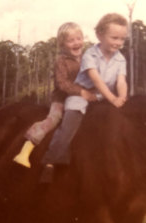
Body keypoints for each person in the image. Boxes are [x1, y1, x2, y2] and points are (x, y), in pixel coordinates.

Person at [40, 13, 128, 183]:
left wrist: (122, 97)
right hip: (81, 94)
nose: (118, 42)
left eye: (122, 39)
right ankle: (51, 160)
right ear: (100, 35)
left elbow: (121, 80)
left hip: (102, 95)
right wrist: (112, 99)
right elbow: (96, 79)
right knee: (70, 120)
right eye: (114, 37)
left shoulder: (120, 58)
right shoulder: (90, 54)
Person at [13, 22, 96, 168]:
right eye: (71, 41)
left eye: (79, 38)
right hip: (62, 99)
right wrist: (82, 91)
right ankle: (27, 148)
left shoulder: (87, 58)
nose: (76, 43)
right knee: (53, 119)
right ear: (62, 44)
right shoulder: (61, 61)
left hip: (82, 98)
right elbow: (62, 84)